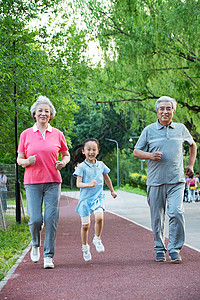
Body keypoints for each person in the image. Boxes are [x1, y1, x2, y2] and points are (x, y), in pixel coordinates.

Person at [133, 96, 197, 263]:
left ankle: (174, 248)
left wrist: (191, 164)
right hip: (155, 181)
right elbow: (136, 152)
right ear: (157, 111)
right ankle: (159, 248)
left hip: (176, 180)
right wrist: (150, 156)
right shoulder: (148, 130)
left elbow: (193, 145)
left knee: (176, 212)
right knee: (157, 217)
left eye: (168, 108)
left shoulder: (181, 129)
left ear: (173, 111)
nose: (165, 111)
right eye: (162, 108)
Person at [17, 95, 70, 269]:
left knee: (51, 218)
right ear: (34, 113)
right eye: (40, 110)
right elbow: (19, 159)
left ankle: (48, 256)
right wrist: (27, 162)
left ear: (51, 114)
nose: (43, 113)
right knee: (35, 220)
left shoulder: (57, 134)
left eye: (47, 111)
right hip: (32, 182)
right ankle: (35, 243)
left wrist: (63, 162)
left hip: (53, 182)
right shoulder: (26, 134)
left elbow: (66, 154)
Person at [72, 138, 117, 262]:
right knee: (85, 226)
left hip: (98, 198)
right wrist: (89, 184)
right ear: (83, 151)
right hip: (85, 200)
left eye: (94, 149)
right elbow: (78, 184)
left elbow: (107, 178)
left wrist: (112, 190)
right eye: (88, 149)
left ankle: (97, 238)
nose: (91, 152)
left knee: (99, 217)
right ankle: (85, 247)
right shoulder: (81, 167)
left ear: (97, 151)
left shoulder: (101, 165)